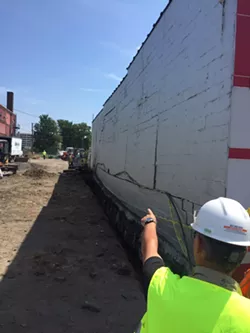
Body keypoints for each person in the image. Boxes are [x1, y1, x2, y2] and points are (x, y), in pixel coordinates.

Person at [136, 197, 250, 332]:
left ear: (199, 244)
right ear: (244, 252)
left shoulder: (161, 285)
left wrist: (150, 222)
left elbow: (150, 250)